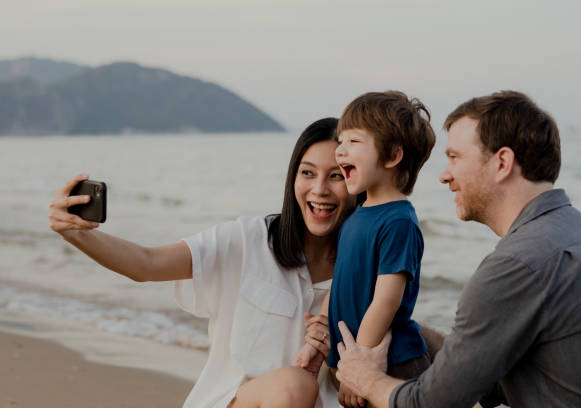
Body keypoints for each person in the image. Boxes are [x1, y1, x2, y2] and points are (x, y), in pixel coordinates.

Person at [48, 118, 357, 408]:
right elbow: (148, 263)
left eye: (336, 176)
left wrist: (336, 362)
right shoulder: (248, 240)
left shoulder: (373, 276)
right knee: (294, 385)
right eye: (307, 173)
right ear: (293, 178)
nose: (319, 190)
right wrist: (77, 236)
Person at [335, 90, 581, 407]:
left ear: (502, 163)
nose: (444, 175)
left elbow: (429, 404)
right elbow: (510, 377)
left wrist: (365, 378)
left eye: (454, 157)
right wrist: (416, 334)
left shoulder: (518, 264)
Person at [295, 91, 436, 407]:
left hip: (392, 365)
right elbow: (341, 284)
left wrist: (359, 367)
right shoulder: (358, 215)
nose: (340, 151)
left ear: (391, 157)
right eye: (340, 141)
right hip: (355, 361)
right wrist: (316, 346)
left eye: (352, 142)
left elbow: (387, 300)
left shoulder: (398, 221)